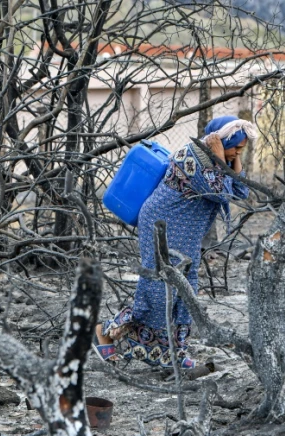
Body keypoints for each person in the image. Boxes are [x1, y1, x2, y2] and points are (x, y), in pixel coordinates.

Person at [94, 115, 258, 370]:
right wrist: (218, 156)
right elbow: (218, 191)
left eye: (241, 149)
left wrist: (230, 157)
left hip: (185, 233)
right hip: (162, 225)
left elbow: (241, 191)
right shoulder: (191, 156)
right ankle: (106, 330)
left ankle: (173, 354)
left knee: (184, 291)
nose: (238, 153)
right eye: (235, 147)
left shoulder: (215, 160)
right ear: (219, 141)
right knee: (159, 290)